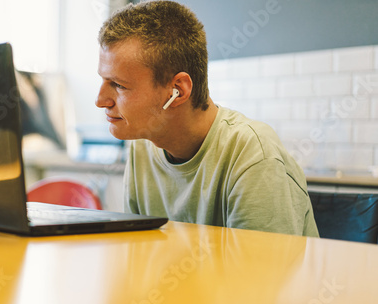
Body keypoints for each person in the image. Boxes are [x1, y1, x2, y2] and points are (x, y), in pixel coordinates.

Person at [95, 0, 319, 237]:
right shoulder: (141, 149)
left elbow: (262, 273)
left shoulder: (253, 155)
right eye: (103, 80)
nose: (100, 100)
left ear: (178, 91)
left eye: (119, 85)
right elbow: (139, 255)